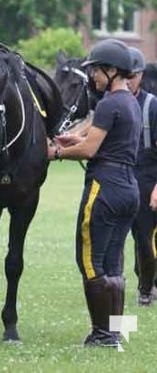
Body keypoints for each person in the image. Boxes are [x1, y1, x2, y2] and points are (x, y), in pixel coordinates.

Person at [48, 38, 141, 347]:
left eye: (97, 71)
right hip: (129, 189)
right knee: (114, 264)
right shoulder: (131, 103)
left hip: (105, 188)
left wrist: (54, 154)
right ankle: (117, 333)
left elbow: (90, 150)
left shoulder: (108, 104)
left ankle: (102, 336)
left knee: (90, 261)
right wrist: (73, 142)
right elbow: (106, 142)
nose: (93, 77)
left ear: (113, 70)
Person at [128, 46, 157, 306]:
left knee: (145, 240)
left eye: (132, 75)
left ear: (141, 76)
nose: (127, 80)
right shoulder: (111, 102)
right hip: (120, 177)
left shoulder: (152, 104)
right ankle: (114, 288)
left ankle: (147, 287)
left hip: (147, 177)